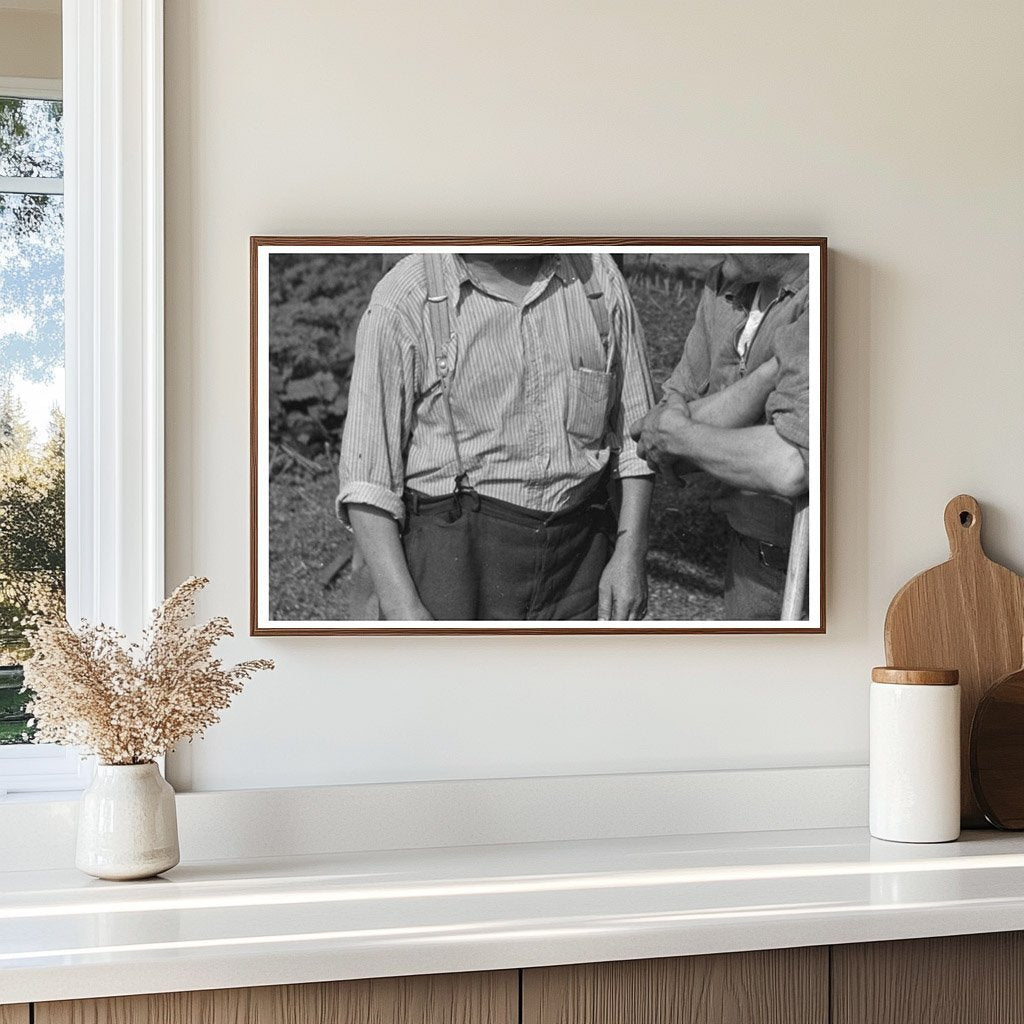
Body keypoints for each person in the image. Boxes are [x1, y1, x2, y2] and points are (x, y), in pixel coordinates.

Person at [337, 251, 656, 621]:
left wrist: (631, 554)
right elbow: (367, 483)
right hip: (458, 562)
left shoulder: (594, 276)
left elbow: (638, 437)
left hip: (579, 558)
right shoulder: (407, 297)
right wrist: (404, 609)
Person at [630, 253, 810, 619]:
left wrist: (682, 435)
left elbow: (790, 463)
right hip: (749, 560)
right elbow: (653, 433)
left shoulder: (820, 294)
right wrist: (766, 377)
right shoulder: (726, 282)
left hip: (815, 570)